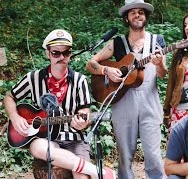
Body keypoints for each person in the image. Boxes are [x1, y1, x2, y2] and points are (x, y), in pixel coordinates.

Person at [4, 29, 115, 179]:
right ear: (47, 53)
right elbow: (9, 97)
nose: (61, 57)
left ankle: (87, 169)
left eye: (66, 53)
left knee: (81, 177)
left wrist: (83, 123)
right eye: (56, 53)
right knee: (37, 147)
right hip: (47, 140)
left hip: (75, 139)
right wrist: (15, 117)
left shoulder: (79, 80)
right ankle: (96, 171)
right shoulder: (33, 78)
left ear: (70, 54)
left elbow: (85, 112)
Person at [85, 0, 167, 178]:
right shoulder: (117, 43)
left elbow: (162, 74)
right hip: (123, 102)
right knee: (124, 156)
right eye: (133, 12)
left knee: (153, 155)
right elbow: (90, 64)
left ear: (146, 16)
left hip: (149, 102)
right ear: (126, 18)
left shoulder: (157, 41)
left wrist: (160, 64)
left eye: (141, 12)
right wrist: (106, 70)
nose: (137, 14)